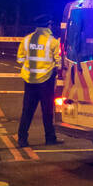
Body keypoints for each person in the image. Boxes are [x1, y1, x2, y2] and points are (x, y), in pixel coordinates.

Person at [17, 13, 63, 147]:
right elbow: (58, 62)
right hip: (45, 80)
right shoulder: (53, 41)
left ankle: (22, 139)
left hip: (29, 80)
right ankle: (50, 138)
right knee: (47, 111)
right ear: (48, 25)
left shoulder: (26, 40)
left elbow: (20, 59)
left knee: (27, 110)